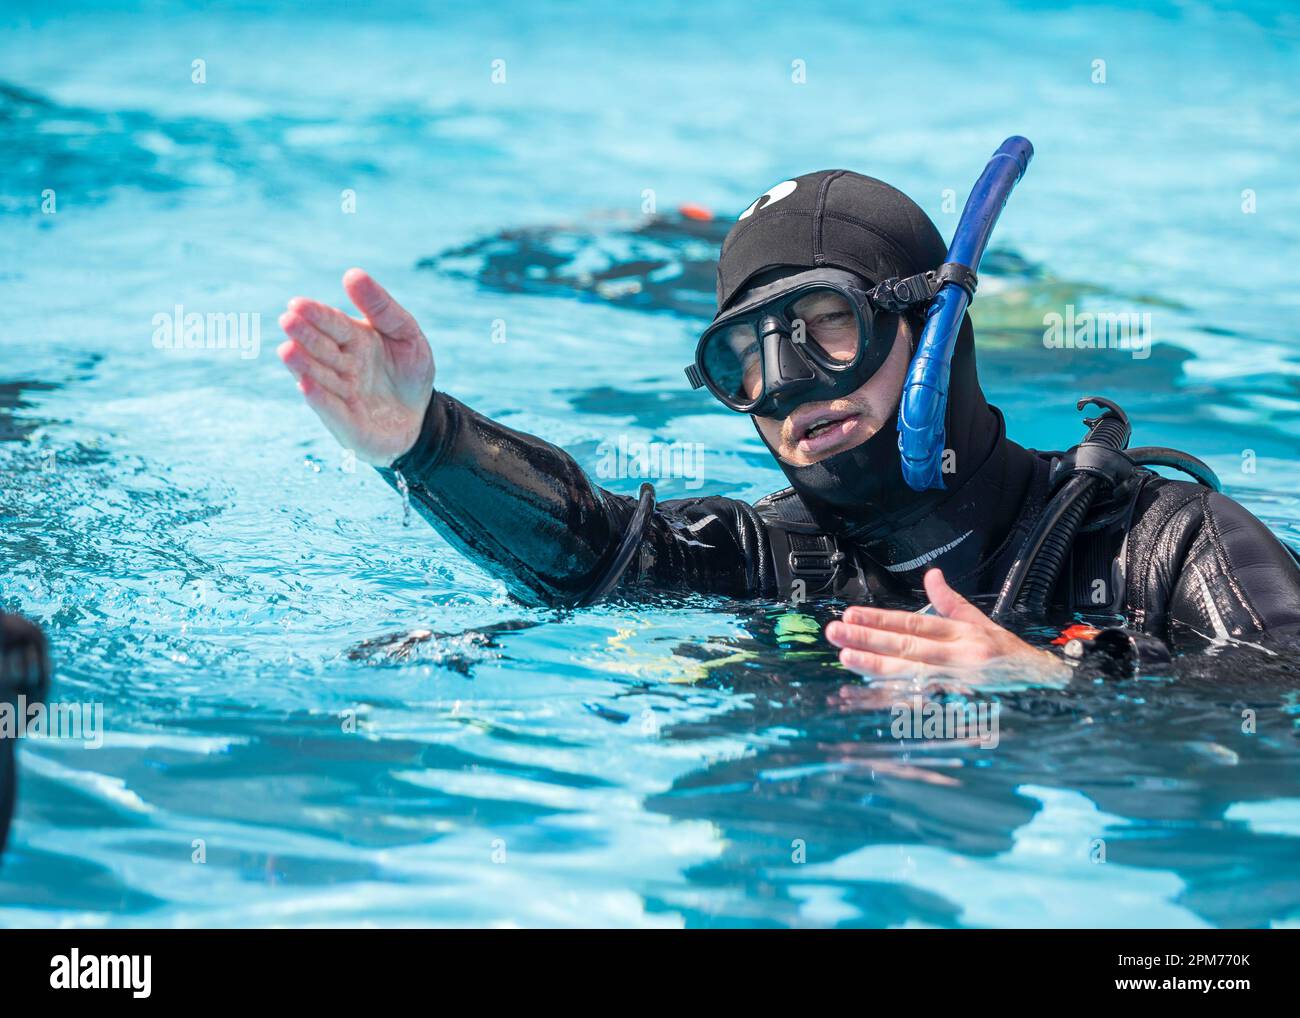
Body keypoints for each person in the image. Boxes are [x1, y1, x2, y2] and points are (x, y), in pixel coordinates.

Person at [277, 169, 1300, 682]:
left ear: (930, 323)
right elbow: (588, 549)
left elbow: (1273, 731)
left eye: (825, 329)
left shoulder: (1168, 547)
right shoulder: (769, 558)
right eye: (744, 358)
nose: (790, 386)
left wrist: (1049, 680)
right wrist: (424, 441)